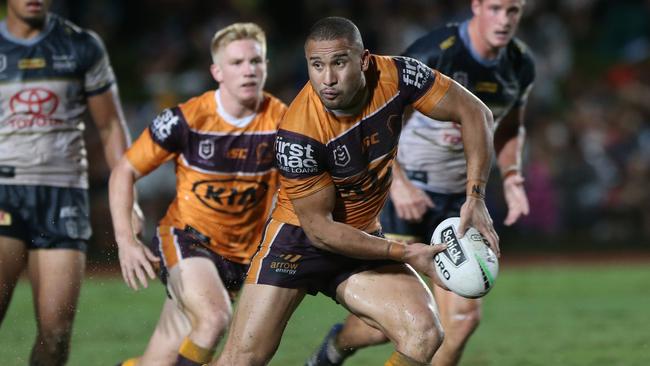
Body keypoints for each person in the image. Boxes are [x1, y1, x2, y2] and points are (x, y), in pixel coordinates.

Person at [213, 16, 499, 366]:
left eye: (339, 63)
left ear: (363, 60)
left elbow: (476, 113)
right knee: (240, 361)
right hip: (298, 240)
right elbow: (320, 230)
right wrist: (404, 253)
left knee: (425, 333)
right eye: (316, 65)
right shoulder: (299, 132)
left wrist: (476, 197)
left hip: (361, 238)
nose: (327, 79)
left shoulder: (398, 76)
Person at [306, 1, 535, 365]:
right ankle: (335, 347)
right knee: (387, 324)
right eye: (496, 8)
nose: (504, 19)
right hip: (405, 196)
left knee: (461, 321)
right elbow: (374, 117)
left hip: (458, 202)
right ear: (476, 6)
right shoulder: (435, 51)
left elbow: (507, 129)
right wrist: (398, 183)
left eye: (513, 11)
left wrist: (512, 177)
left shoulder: (521, 64)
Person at [110, 22, 286, 366]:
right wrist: (125, 241)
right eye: (237, 63)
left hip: (243, 257)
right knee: (214, 319)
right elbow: (124, 170)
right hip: (188, 240)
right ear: (217, 71)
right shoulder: (187, 119)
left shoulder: (284, 121)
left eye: (257, 61)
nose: (249, 70)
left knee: (159, 360)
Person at [0, 1, 140, 365]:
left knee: (57, 334)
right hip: (4, 193)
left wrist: (129, 197)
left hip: (64, 195)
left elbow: (110, 126)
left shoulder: (80, 46)